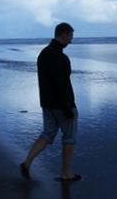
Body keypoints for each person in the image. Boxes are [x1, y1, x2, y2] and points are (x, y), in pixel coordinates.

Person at [20, 22, 81, 182]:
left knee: (47, 134)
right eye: (70, 37)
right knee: (69, 138)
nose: (71, 41)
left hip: (47, 103)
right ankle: (66, 173)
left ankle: (27, 162)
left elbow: (48, 81)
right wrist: (68, 107)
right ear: (63, 34)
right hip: (62, 104)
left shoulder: (44, 53)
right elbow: (62, 84)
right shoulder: (60, 57)